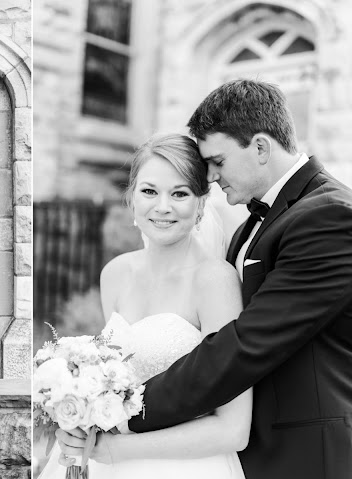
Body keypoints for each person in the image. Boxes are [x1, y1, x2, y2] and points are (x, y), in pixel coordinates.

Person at [63, 79, 352, 479]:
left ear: (261, 147)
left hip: (305, 451)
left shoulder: (327, 216)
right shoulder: (251, 226)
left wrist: (120, 408)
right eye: (149, 191)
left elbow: (245, 344)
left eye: (217, 161)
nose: (212, 176)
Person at [41, 133, 250, 478]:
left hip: (182, 468)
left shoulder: (214, 280)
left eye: (180, 193)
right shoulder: (116, 273)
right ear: (132, 198)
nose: (163, 207)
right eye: (149, 191)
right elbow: (111, 384)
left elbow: (233, 428)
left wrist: (117, 450)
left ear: (201, 202)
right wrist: (75, 413)